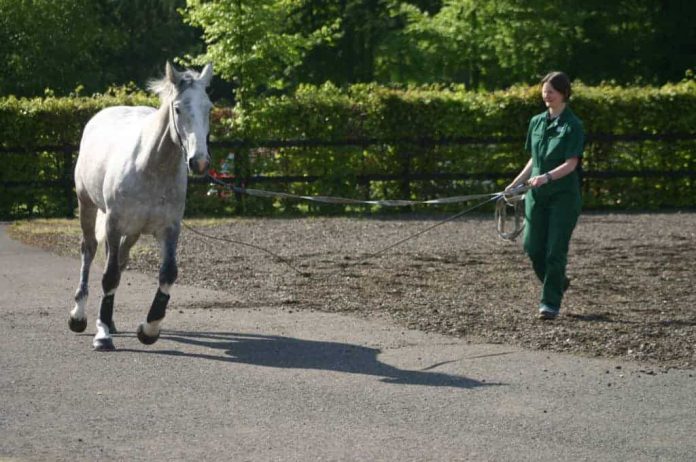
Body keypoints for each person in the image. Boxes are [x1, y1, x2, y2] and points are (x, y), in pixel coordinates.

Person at [506, 71, 584, 320]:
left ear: (563, 93)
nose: (546, 95)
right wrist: (515, 184)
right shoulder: (537, 122)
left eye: (551, 91)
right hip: (536, 196)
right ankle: (558, 283)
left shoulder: (573, 125)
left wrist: (547, 177)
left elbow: (571, 164)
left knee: (554, 250)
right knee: (532, 247)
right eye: (544, 91)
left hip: (563, 196)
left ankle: (550, 303)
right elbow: (533, 159)